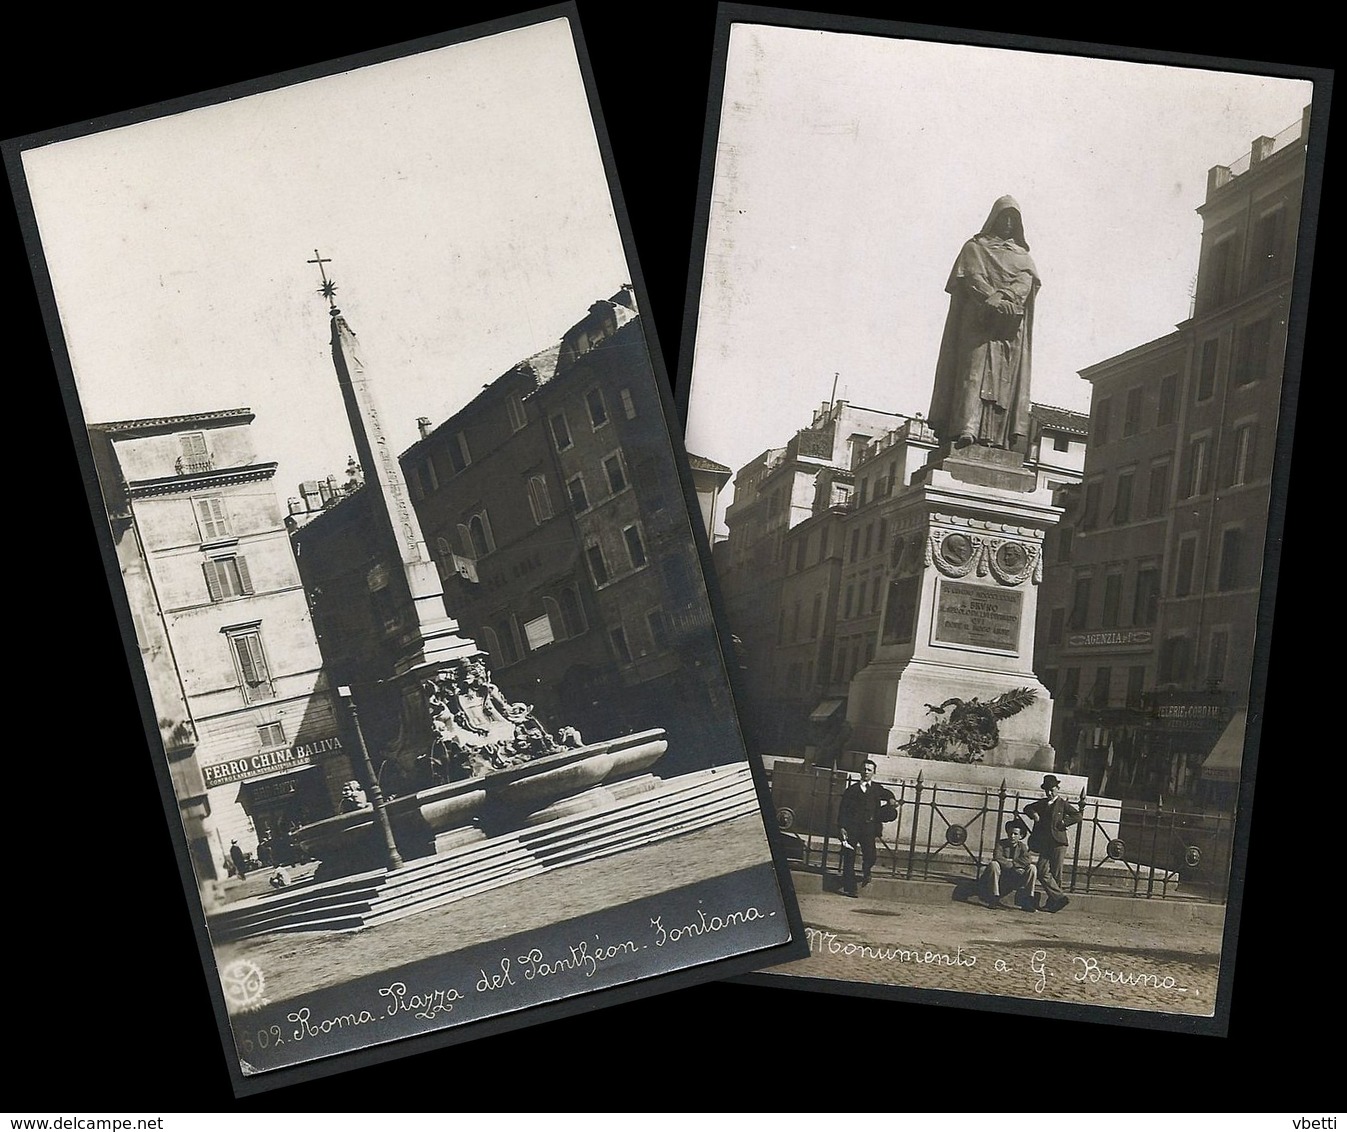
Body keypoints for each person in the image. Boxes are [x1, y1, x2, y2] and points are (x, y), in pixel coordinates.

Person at [927, 196, 1040, 451]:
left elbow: (1025, 282)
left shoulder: (1023, 256)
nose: (1009, 223)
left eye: (1014, 219)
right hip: (977, 321)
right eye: (1004, 217)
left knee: (1003, 380)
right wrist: (991, 297)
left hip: (1007, 328)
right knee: (972, 371)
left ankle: (995, 437)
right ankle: (965, 427)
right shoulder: (975, 248)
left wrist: (1004, 297)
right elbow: (971, 277)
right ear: (995, 218)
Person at [836, 759, 897, 897]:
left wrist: (891, 799)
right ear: (859, 771)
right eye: (864, 769)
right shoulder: (851, 790)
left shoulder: (876, 788)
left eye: (869, 770)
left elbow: (887, 793)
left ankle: (866, 868)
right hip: (852, 827)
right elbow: (843, 810)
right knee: (849, 857)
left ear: (874, 772)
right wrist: (842, 827)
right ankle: (850, 888)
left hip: (869, 828)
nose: (866, 772)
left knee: (871, 855)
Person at [1022, 774, 1080, 912]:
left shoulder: (1062, 804)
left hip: (1059, 842)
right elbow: (1027, 808)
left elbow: (1077, 816)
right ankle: (1059, 898)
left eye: (1052, 789)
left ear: (1057, 788)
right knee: (1042, 870)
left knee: (1056, 873)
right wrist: (1034, 814)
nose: (1049, 793)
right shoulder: (1042, 804)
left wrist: (1064, 822)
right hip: (1045, 843)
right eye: (1046, 790)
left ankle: (1052, 903)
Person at [980, 818, 1037, 910]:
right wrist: (1014, 866)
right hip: (1001, 876)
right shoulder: (1001, 844)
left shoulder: (1022, 846)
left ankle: (1027, 899)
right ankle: (994, 897)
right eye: (1010, 833)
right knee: (994, 864)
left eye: (1015, 834)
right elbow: (997, 857)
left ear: (1021, 836)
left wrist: (1013, 863)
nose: (1012, 836)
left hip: (1015, 877)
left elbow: (1027, 859)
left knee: (1032, 868)